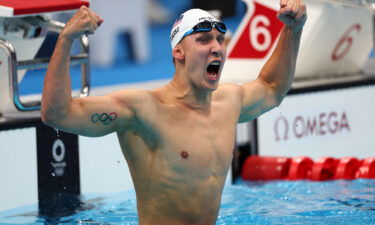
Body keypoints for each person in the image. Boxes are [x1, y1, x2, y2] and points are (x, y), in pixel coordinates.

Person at [41, 0, 306, 224]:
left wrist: (293, 30)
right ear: (178, 51)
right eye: (203, 40)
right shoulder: (143, 109)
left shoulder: (229, 102)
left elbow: (272, 88)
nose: (216, 47)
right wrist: (66, 38)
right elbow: (57, 114)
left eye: (219, 40)